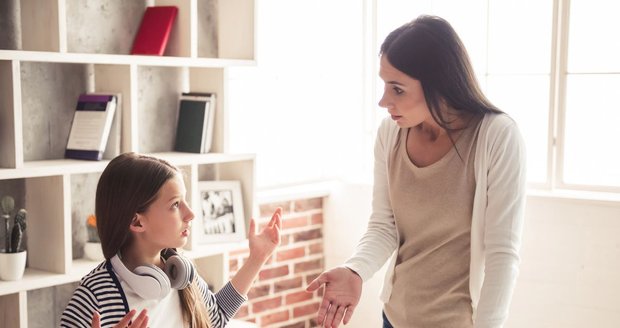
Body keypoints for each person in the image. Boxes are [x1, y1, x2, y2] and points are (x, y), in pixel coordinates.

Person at [307, 15, 526, 328]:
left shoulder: (497, 136)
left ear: (439, 85)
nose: (384, 101)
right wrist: (356, 270)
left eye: (397, 89)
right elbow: (385, 225)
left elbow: (503, 254)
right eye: (384, 85)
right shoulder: (390, 135)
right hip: (394, 318)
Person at [61, 152, 282, 328]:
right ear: (137, 222)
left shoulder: (179, 272)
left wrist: (257, 258)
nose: (191, 213)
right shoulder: (94, 296)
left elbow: (215, 319)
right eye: (175, 205)